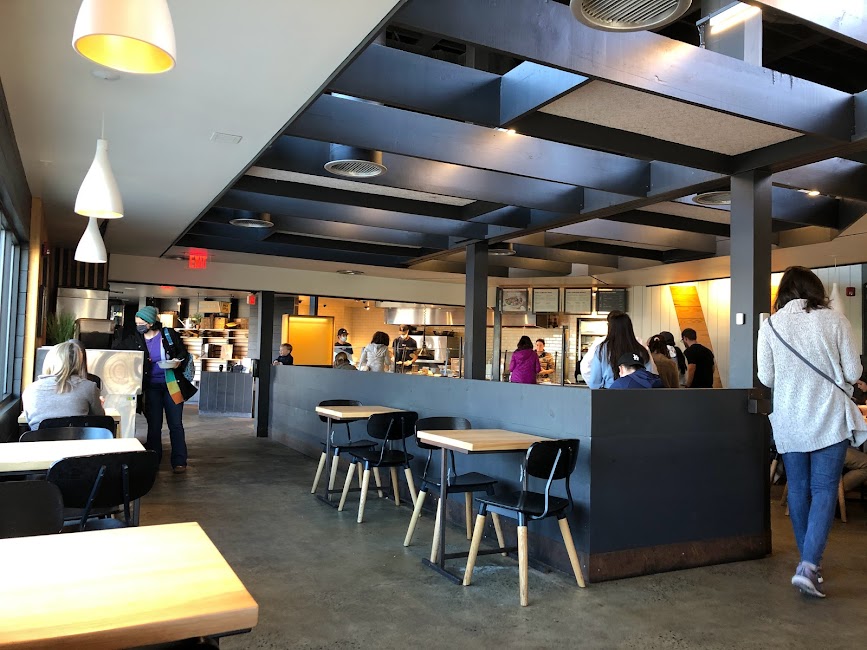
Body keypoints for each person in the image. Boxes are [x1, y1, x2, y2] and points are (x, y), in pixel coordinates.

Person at [757, 266, 867, 597]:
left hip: (790, 420)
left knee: (799, 489)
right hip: (829, 418)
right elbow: (853, 371)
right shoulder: (835, 320)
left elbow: (766, 377)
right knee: (823, 489)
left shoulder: (771, 325)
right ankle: (809, 564)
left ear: (784, 292)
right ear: (816, 290)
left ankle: (808, 563)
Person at [113, 305, 196, 474]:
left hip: (172, 384)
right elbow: (120, 352)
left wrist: (177, 361)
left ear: (151, 323)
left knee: (175, 424)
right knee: (154, 425)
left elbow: (182, 352)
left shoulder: (168, 334)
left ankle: (179, 461)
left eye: (141, 323)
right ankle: (154, 461)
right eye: (137, 323)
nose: (139, 326)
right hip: (150, 387)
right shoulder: (135, 339)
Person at [22, 340, 104, 430]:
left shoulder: (30, 390)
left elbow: (29, 421)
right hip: (76, 438)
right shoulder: (89, 387)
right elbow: (100, 419)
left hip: (40, 438)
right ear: (78, 363)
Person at [582, 312, 656, 389]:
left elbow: (594, 383)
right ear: (629, 328)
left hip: (610, 392)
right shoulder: (641, 349)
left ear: (610, 328)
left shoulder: (602, 349)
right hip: (638, 392)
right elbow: (649, 376)